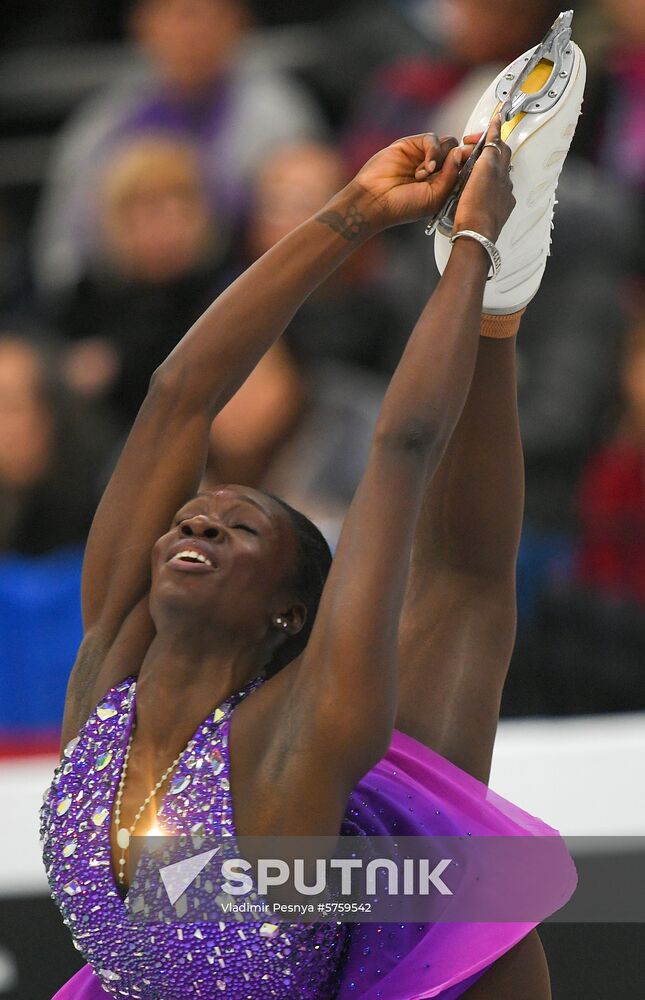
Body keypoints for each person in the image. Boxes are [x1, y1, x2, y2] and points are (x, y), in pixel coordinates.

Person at [40, 106, 577, 997]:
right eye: (194, 520)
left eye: (239, 529)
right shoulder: (108, 670)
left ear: (289, 611)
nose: (198, 525)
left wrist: (476, 249)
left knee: (458, 617)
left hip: (356, 919)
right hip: (285, 906)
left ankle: (503, 308)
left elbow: (400, 450)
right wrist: (351, 211)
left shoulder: (299, 734)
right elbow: (180, 394)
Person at [33, 0, 324, 298]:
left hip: (251, 299)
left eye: (211, 16)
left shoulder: (278, 118)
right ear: (143, 26)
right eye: (180, 15)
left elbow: (313, 232)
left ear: (238, 24)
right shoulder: (103, 126)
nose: (193, 31)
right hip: (123, 304)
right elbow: (63, 256)